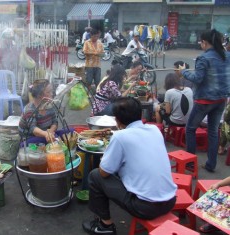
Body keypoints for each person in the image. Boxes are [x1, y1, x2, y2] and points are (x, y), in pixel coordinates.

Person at [82, 97, 177, 235]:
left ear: (117, 120)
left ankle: (105, 225)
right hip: (170, 201)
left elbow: (103, 173)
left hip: (145, 208)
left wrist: (107, 160)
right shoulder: (155, 130)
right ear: (139, 114)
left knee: (95, 175)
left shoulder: (120, 137)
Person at [179, 29, 230, 172]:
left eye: (201, 42)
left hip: (204, 101)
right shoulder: (227, 56)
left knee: (190, 129)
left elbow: (198, 78)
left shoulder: (204, 58)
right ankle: (211, 164)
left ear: (205, 42)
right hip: (221, 100)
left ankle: (189, 163)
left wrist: (183, 71)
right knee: (213, 132)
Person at [18, 79, 63, 146]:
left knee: (70, 131)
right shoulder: (29, 109)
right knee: (55, 141)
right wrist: (46, 134)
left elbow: (55, 122)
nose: (52, 93)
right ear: (39, 95)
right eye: (48, 92)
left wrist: (50, 131)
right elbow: (34, 130)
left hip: (46, 134)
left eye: (51, 91)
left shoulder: (49, 105)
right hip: (30, 138)